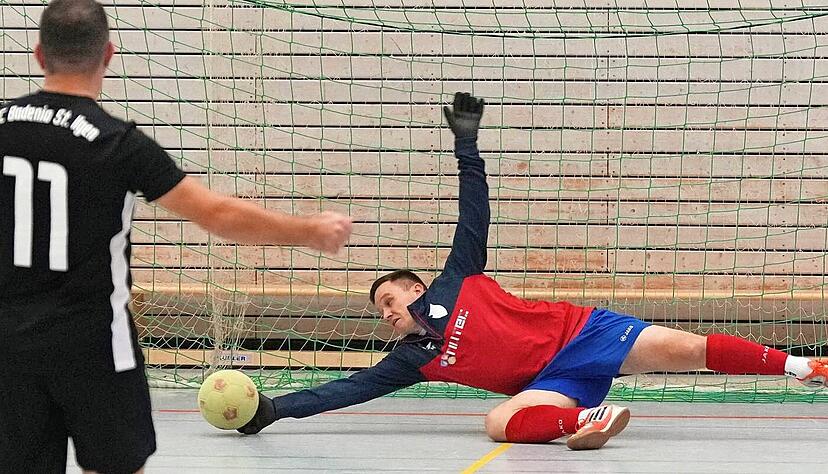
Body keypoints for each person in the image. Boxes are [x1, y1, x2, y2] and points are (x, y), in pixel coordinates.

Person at [238, 90, 828, 450]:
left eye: (391, 299)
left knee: (687, 347)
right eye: (383, 312)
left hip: (584, 335)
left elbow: (474, 214)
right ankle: (581, 420)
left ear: (417, 288)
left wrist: (466, 147)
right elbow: (345, 390)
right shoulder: (412, 361)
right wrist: (274, 410)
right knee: (498, 423)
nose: (389, 313)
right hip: (552, 382)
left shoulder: (458, 279)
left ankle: (803, 366)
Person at [0, 1, 352, 472]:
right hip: (93, 342)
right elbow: (217, 214)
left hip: (8, 343)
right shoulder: (117, 143)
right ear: (108, 53)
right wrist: (308, 231)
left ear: (39, 55)